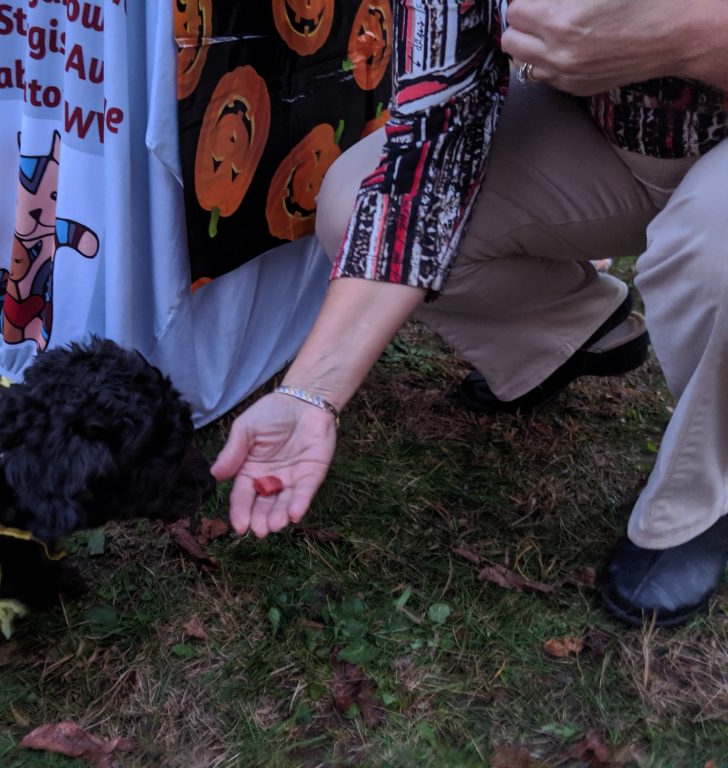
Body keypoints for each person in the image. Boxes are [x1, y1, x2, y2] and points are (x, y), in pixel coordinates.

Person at [211, 0, 728, 628]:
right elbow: (428, 156)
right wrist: (309, 395)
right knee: (355, 203)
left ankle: (701, 497)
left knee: (715, 248)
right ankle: (571, 333)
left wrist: (690, 39)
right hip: (604, 144)